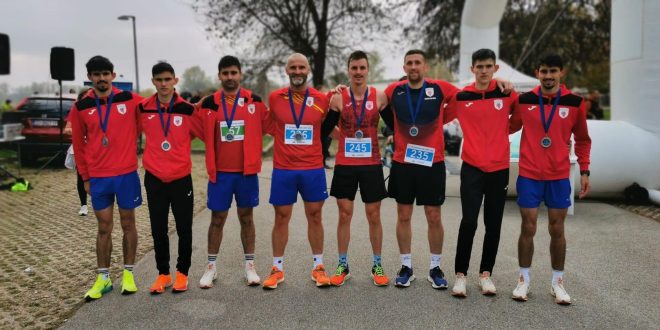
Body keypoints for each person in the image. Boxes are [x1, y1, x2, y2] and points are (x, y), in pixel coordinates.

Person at [509, 53, 591, 305]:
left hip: (558, 176)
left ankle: (557, 282)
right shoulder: (525, 100)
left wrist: (585, 170)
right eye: (544, 71)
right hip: (530, 174)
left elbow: (583, 139)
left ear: (561, 73)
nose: (548, 76)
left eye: (553, 71)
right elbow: (508, 126)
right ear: (537, 73)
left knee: (557, 228)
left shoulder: (575, 102)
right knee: (528, 225)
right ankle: (523, 280)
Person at [444, 49, 517, 297]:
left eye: (488, 66)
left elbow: (518, 119)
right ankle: (460, 275)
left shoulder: (507, 93)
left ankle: (486, 274)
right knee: (469, 221)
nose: (484, 70)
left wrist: (500, 134)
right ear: (472, 69)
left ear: (495, 68)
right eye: (479, 66)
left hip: (499, 168)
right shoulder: (462, 96)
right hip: (472, 167)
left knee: (493, 223)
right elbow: (439, 117)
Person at [69, 56, 143, 301]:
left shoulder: (130, 100)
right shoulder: (80, 107)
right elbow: (78, 146)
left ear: (113, 74)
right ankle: (103, 279)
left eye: (105, 73)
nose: (101, 78)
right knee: (103, 227)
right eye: (96, 74)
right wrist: (86, 178)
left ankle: (129, 275)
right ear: (90, 77)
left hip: (126, 174)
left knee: (128, 224)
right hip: (99, 177)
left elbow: (159, 106)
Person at [197, 55, 270, 288]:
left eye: (233, 73)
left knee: (246, 218)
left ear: (241, 74)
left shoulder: (254, 101)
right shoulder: (208, 103)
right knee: (217, 219)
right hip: (220, 174)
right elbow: (192, 123)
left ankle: (250, 267)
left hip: (246, 173)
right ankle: (211, 268)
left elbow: (271, 124)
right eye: (225, 73)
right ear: (219, 76)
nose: (230, 77)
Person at [262, 53, 331, 289]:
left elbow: (331, 129)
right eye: (293, 67)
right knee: (281, 217)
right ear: (287, 70)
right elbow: (269, 125)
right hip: (284, 169)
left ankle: (319, 266)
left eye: (302, 67)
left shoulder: (322, 99)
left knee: (315, 216)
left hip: (312, 168)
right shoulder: (275, 97)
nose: (298, 71)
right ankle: (277, 268)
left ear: (308, 70)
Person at [322, 51, 390, 286]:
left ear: (367, 70)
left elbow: (393, 125)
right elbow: (325, 129)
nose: (358, 72)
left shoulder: (379, 96)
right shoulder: (338, 98)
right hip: (346, 164)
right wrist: (343, 138)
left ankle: (377, 264)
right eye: (354, 68)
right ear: (348, 70)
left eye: (362, 68)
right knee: (344, 214)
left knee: (374, 215)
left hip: (371, 164)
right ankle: (343, 264)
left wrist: (389, 137)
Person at [139, 62, 203, 294]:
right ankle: (163, 274)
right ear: (153, 81)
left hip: (180, 178)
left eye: (168, 79)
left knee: (184, 228)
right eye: (159, 80)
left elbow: (205, 133)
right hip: (154, 177)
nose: (163, 84)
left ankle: (182, 273)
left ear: (175, 80)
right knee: (158, 228)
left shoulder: (187, 109)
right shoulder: (144, 109)